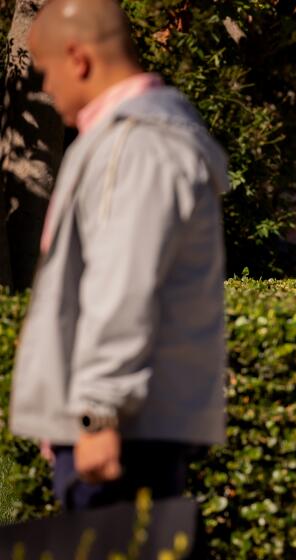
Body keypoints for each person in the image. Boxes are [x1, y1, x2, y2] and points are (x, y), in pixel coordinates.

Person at [10, 0, 228, 510]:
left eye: (47, 72)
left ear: (78, 58)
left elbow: (122, 286)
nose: (45, 88)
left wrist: (97, 415)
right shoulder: (133, 138)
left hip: (125, 433)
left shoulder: (137, 145)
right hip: (130, 427)